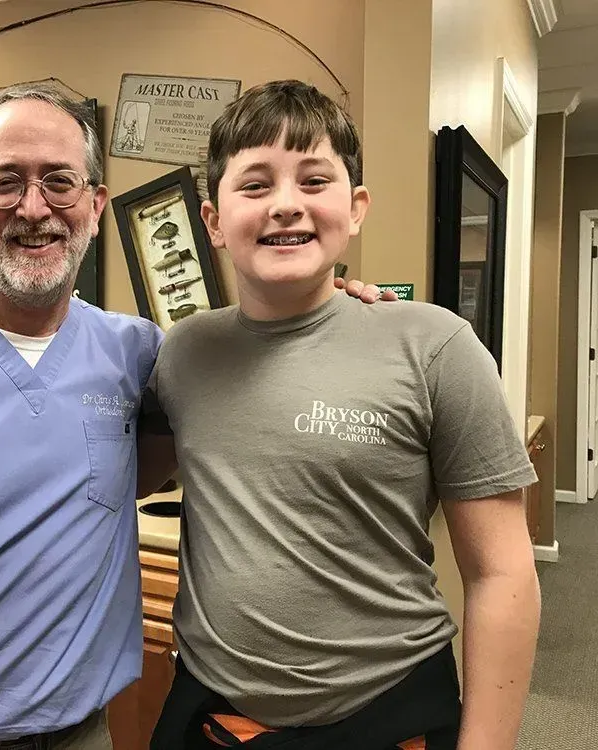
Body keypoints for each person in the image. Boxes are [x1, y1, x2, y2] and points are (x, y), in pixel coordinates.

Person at [0, 82, 388, 750]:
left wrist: (326, 307)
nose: (34, 207)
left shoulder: (137, 354)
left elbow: (241, 376)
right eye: (5, 182)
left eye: (59, 181)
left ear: (95, 204)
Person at [142, 80, 541, 750]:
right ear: (212, 221)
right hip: (213, 715)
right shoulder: (183, 353)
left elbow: (503, 572)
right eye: (256, 184)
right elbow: (117, 479)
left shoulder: (434, 346)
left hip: (388, 718)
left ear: (355, 207)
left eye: (314, 179)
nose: (287, 205)